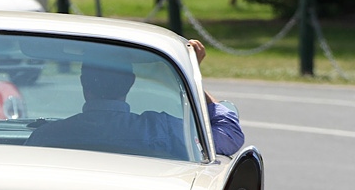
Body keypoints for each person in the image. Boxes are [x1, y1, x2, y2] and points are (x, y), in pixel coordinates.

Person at [26, 40, 244, 157]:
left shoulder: (46, 138)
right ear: (130, 82)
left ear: (83, 82)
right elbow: (230, 134)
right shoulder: (162, 131)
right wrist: (192, 74)